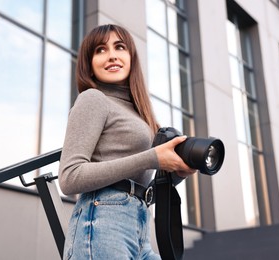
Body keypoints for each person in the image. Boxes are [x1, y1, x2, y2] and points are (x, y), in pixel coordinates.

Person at [59, 24, 196, 260]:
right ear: (89, 65)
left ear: (131, 57)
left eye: (119, 47)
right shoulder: (93, 99)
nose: (112, 54)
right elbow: (70, 177)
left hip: (139, 227)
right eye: (101, 50)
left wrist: (179, 172)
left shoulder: (139, 113)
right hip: (101, 224)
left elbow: (138, 180)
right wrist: (153, 157)